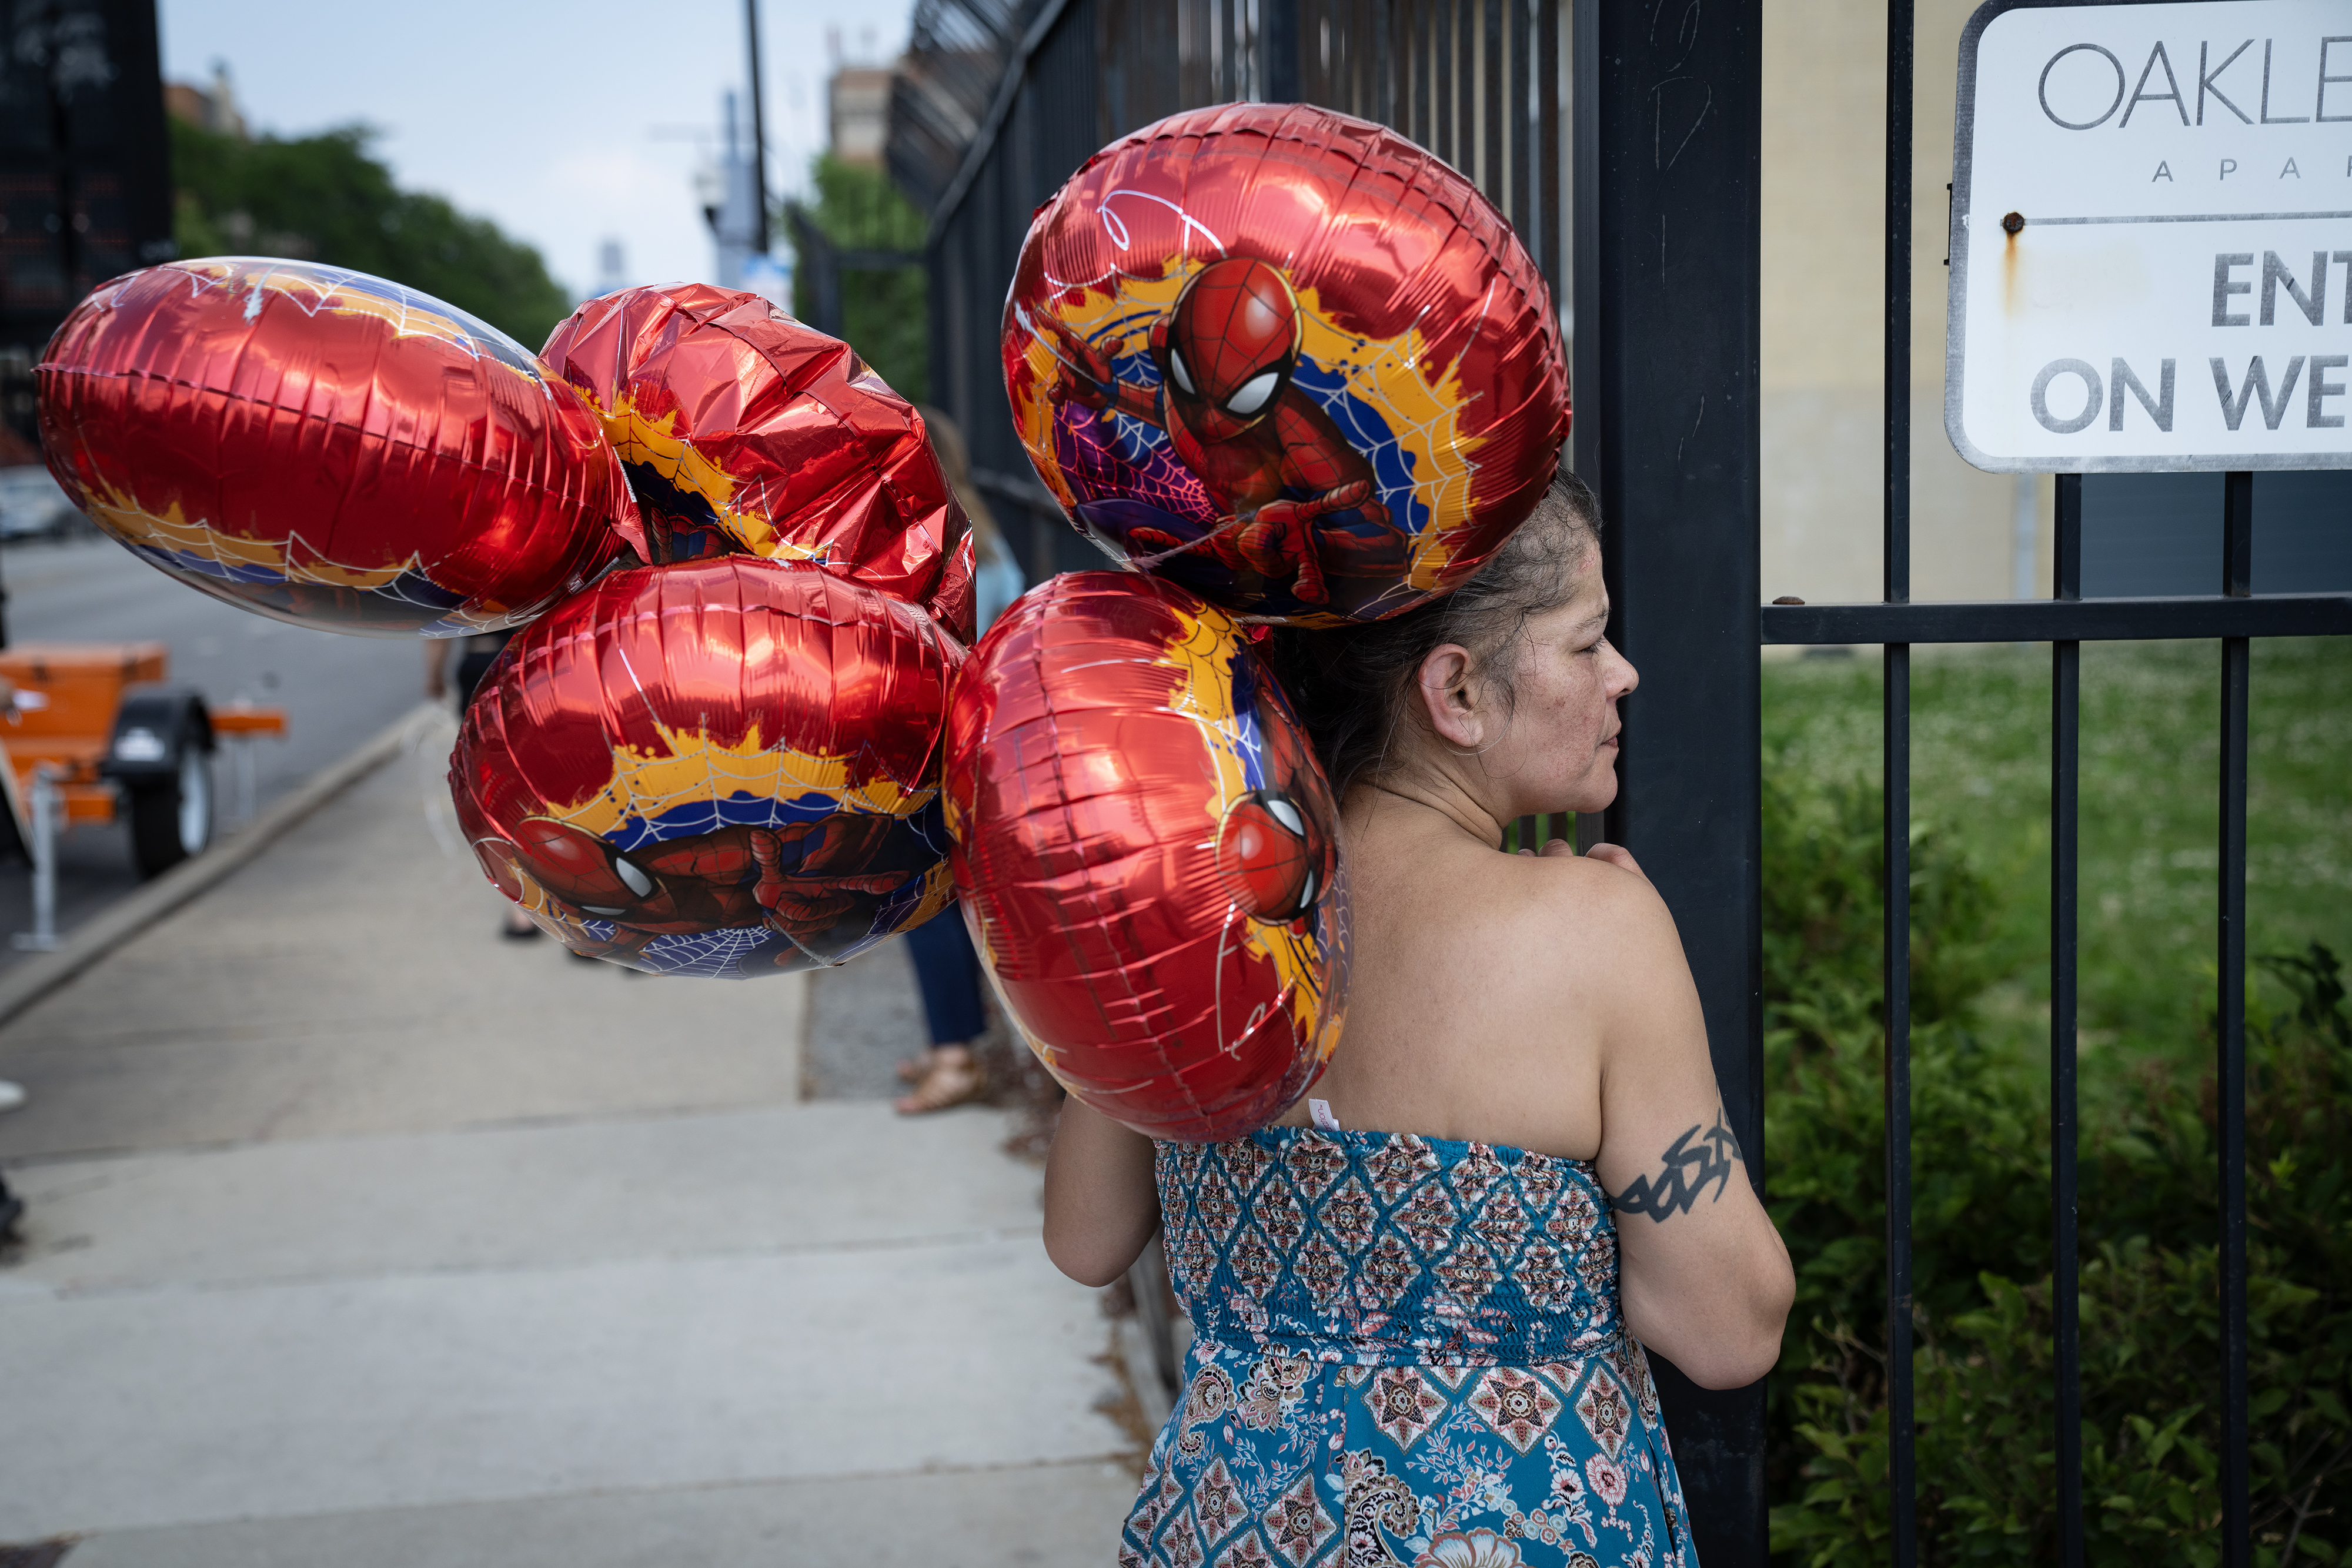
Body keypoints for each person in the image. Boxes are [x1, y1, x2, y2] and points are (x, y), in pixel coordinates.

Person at [1041, 469, 1794, 1566]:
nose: (1624, 675)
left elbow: (1084, 1238)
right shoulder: (1595, 931)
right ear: (1458, 692)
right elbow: (1729, 1327)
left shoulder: (1192, 916)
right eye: (1587, 643)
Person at [894, 407, 1025, 1115]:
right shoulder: (992, 541)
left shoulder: (937, 547)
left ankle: (956, 1055)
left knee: (927, 906)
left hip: (942, 751)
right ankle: (956, 1041)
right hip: (984, 747)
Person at [425, 633, 539, 941]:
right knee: (541, 787)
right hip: (530, 664)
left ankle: (521, 911)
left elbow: (438, 633)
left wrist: (434, 677)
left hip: (478, 664)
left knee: (498, 792)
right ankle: (577, 913)